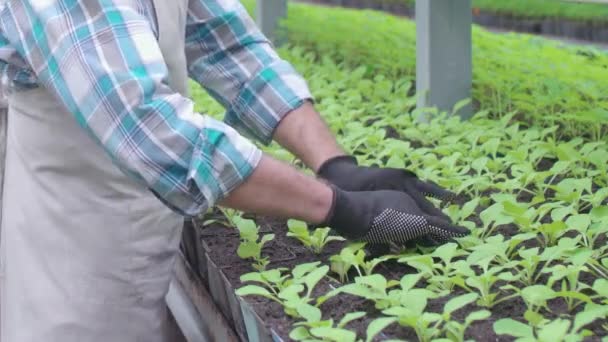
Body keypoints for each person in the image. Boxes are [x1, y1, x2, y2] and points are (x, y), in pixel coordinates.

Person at [0, 0, 469, 341]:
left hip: (147, 229)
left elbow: (230, 48)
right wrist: (342, 208)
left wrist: (336, 164)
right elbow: (156, 135)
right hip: (73, 258)